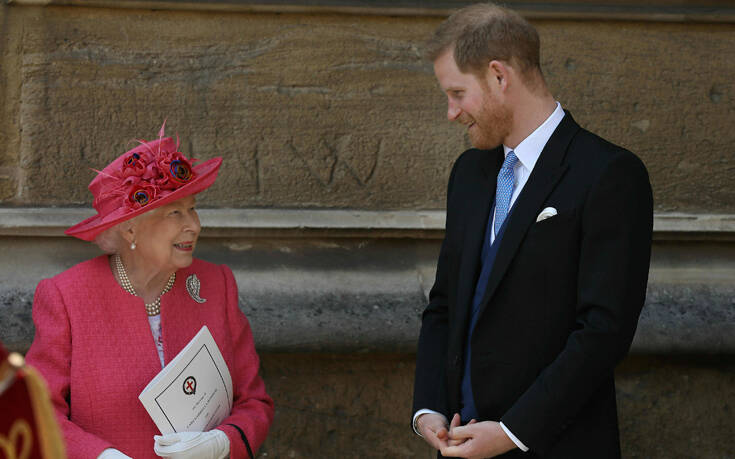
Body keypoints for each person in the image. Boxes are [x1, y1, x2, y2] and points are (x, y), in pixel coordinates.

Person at [412, 3, 653, 458]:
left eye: (458, 93)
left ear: (499, 76)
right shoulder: (469, 173)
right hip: (459, 443)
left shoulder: (609, 174)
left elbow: (604, 331)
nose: (451, 112)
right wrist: (428, 409)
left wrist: (512, 433)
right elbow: (444, 304)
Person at [25, 123, 274, 459]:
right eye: (175, 212)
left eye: (193, 208)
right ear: (130, 229)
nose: (194, 225)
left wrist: (221, 442)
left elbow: (254, 402)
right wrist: (99, 457)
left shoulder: (217, 285)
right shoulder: (67, 298)